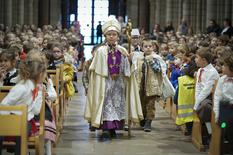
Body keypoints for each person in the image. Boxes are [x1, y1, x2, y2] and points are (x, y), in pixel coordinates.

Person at [84, 16, 143, 138]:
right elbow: (96, 70)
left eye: (114, 34)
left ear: (118, 36)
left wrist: (129, 60)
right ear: (105, 36)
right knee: (105, 104)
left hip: (118, 83)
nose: (111, 36)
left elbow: (127, 70)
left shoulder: (122, 50)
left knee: (117, 104)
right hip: (105, 83)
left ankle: (115, 127)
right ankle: (105, 127)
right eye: (109, 34)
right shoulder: (100, 51)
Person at [0, 51, 47, 155]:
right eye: (44, 73)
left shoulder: (35, 87)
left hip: (26, 120)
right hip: (9, 119)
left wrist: (39, 93)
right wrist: (9, 121)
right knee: (18, 130)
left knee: (24, 129)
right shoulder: (21, 88)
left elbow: (35, 111)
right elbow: (3, 106)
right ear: (40, 74)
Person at [135, 39, 165, 132]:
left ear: (153, 47)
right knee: (142, 104)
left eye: (150, 46)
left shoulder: (155, 58)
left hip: (152, 84)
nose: (148, 48)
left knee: (150, 104)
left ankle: (149, 122)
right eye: (146, 46)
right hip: (141, 84)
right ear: (142, 48)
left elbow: (158, 70)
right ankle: (143, 118)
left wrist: (151, 61)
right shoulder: (139, 58)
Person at [194, 47, 219, 144]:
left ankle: (210, 133)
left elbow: (206, 90)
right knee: (201, 104)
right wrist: (196, 100)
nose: (195, 59)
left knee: (205, 107)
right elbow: (198, 87)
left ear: (204, 60)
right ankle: (204, 131)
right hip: (203, 96)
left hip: (211, 97)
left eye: (197, 57)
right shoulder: (200, 70)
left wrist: (196, 104)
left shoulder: (212, 72)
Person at [213, 55, 233, 153]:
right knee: (224, 128)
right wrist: (217, 113)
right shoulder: (222, 80)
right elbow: (217, 97)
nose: (222, 68)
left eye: (225, 66)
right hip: (225, 110)